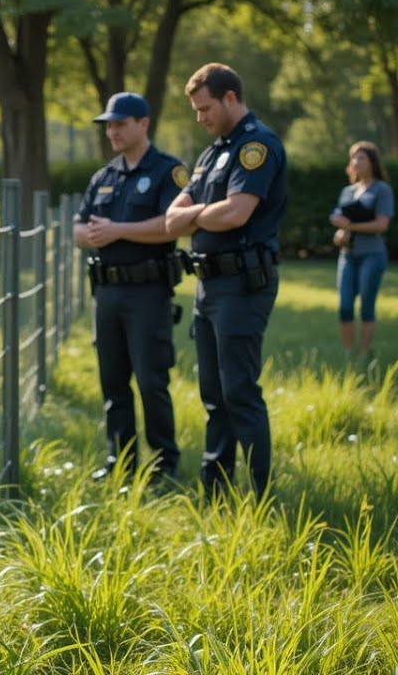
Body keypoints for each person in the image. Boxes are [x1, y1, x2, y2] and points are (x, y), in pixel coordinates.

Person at [165, 63, 287, 499]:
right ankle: (215, 492)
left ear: (231, 97)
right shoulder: (213, 152)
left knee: (239, 391)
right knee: (214, 395)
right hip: (208, 285)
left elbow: (237, 213)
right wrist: (200, 215)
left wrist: (194, 215)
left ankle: (260, 494)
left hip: (242, 284)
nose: (200, 118)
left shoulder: (257, 145)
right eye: (196, 111)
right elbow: (169, 218)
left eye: (205, 108)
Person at [75, 92, 189, 485]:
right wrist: (93, 236)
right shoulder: (104, 177)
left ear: (144, 123)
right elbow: (78, 230)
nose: (112, 131)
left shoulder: (168, 172)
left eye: (120, 123)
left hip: (147, 293)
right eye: (109, 124)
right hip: (106, 294)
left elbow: (173, 225)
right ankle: (120, 462)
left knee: (151, 380)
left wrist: (116, 231)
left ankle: (163, 466)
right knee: (112, 381)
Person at [330, 141, 394, 357]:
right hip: (347, 256)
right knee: (345, 306)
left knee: (366, 306)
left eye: (361, 158)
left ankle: (365, 354)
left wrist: (351, 225)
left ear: (372, 162)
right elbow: (340, 221)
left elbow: (382, 224)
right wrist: (341, 233)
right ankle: (349, 353)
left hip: (372, 255)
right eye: (353, 158)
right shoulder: (347, 192)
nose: (356, 162)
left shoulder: (382, 190)